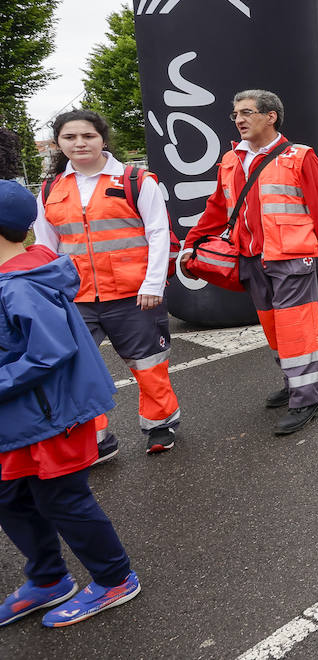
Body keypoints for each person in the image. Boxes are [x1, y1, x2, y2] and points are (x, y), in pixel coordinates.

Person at [0, 180, 143, 629]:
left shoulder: (20, 286)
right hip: (21, 418)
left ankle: (115, 578)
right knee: (11, 496)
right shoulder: (16, 277)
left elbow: (48, 351)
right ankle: (48, 580)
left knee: (62, 499)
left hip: (49, 416)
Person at [184, 90, 318, 435]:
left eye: (247, 112)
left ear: (271, 116)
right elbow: (217, 207)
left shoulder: (299, 156)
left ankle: (307, 398)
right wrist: (191, 244)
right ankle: (294, 381)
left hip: (291, 257)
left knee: (295, 329)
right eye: (235, 115)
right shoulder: (232, 160)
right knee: (274, 328)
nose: (239, 120)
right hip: (250, 258)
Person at [33, 111, 181, 456]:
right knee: (75, 369)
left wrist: (153, 284)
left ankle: (160, 425)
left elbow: (158, 233)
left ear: (102, 138)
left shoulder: (136, 180)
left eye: (88, 136)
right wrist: (47, 294)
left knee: (148, 364)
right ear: (59, 143)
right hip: (75, 297)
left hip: (134, 294)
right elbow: (45, 246)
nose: (80, 143)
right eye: (70, 138)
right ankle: (97, 441)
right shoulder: (51, 189)